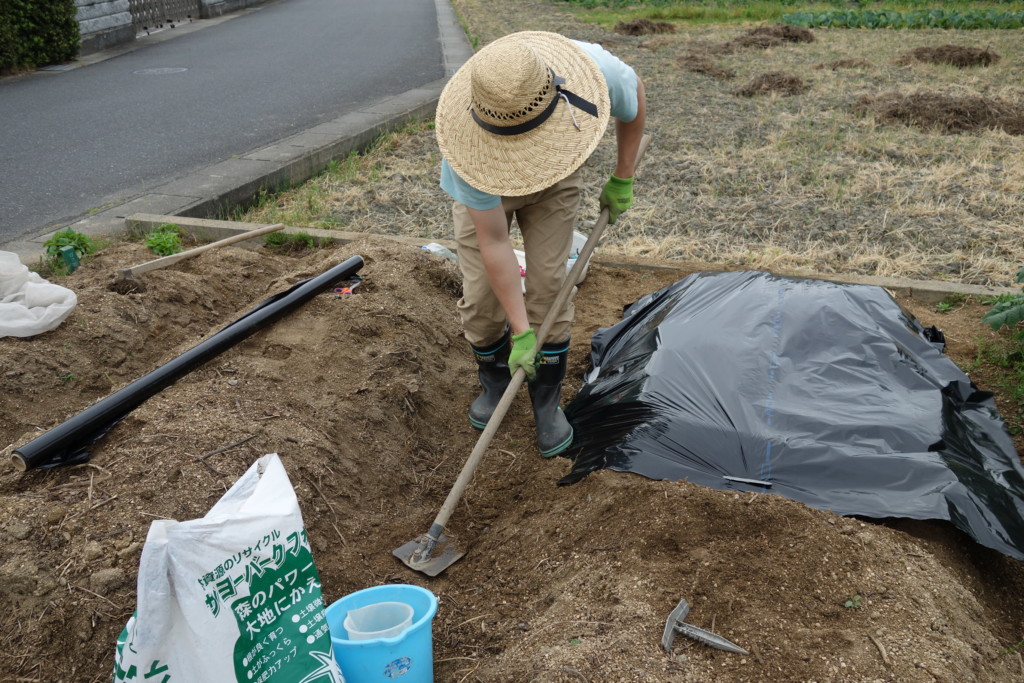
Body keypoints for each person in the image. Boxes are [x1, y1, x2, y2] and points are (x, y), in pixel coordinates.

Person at [435, 30, 646, 457]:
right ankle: (493, 381)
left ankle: (545, 401)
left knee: (551, 284)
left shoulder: (594, 70)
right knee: (479, 297)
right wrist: (521, 331)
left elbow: (635, 101)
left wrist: (623, 177)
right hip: (486, 179)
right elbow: (494, 243)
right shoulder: (467, 153)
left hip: (556, 176)